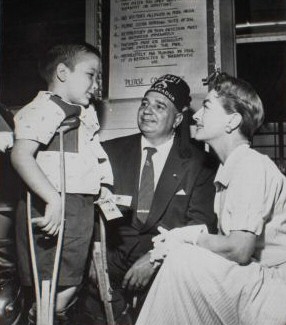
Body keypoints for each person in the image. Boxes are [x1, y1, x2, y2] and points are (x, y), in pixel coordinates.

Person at [135, 72, 286, 325]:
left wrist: (189, 238)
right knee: (180, 260)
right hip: (256, 283)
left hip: (273, 290)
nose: (196, 115)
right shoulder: (230, 168)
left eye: (206, 106)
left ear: (232, 121)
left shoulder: (250, 165)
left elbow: (239, 249)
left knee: (182, 259)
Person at [80, 74, 218, 324]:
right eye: (145, 103)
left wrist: (156, 259)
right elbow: (87, 210)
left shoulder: (200, 163)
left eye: (159, 106)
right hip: (107, 269)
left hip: (166, 270)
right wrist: (91, 257)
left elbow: (200, 224)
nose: (147, 111)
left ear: (177, 119)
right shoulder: (109, 151)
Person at [10, 43, 113, 324]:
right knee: (51, 284)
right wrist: (52, 198)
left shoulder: (83, 110)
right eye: (91, 74)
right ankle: (39, 317)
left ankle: (51, 315)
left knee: (70, 280)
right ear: (63, 73)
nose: (96, 83)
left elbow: (89, 153)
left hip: (80, 206)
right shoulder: (45, 108)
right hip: (52, 205)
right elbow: (20, 155)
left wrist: (102, 185)